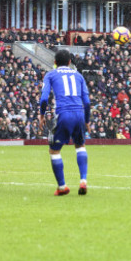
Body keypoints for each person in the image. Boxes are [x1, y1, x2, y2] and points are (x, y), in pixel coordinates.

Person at [39, 50, 91, 196]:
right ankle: (83, 180)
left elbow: (43, 99)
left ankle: (62, 186)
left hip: (63, 114)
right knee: (80, 146)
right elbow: (87, 102)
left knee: (54, 150)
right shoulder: (79, 75)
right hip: (79, 113)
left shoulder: (51, 74)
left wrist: (42, 115)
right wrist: (87, 120)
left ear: (55, 62)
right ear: (70, 62)